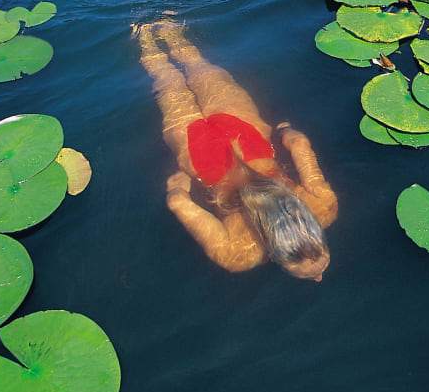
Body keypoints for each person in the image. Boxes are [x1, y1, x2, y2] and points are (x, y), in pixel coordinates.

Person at [135, 20, 337, 281]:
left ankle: (165, 24)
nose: (319, 277)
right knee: (166, 81)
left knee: (199, 67)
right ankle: (142, 36)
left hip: (246, 138)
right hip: (204, 161)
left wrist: (286, 130)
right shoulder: (238, 255)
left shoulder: (325, 208)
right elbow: (176, 202)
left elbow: (298, 143)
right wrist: (179, 186)